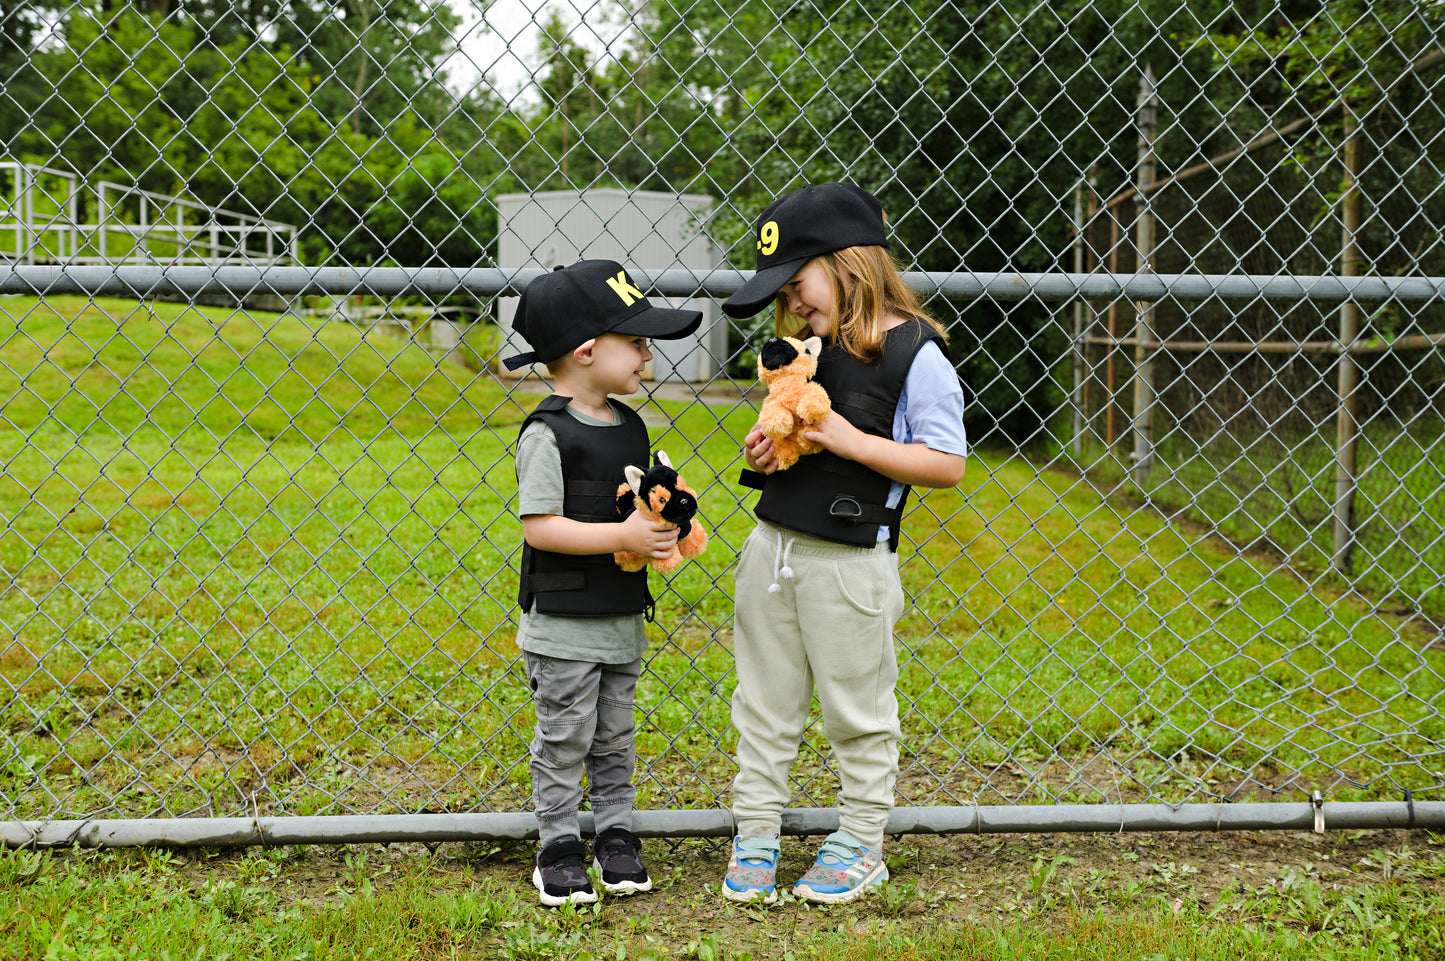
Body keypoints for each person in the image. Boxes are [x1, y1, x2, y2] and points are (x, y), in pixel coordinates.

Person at [719, 183, 968, 904]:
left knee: (856, 710)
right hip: (772, 551)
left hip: (850, 562)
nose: (792, 304)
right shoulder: (806, 352)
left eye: (797, 284)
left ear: (848, 262)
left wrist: (855, 442)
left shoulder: (914, 352)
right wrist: (769, 450)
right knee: (762, 703)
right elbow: (796, 432)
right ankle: (757, 832)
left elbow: (947, 463)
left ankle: (861, 839)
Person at [502, 259, 702, 907]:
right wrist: (621, 538)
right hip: (562, 623)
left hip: (618, 617)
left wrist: (663, 526)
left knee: (614, 735)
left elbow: (632, 509)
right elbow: (540, 527)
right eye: (637, 342)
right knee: (565, 735)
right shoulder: (547, 433)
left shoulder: (633, 426)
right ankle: (557, 843)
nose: (649, 355)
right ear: (587, 351)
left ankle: (616, 836)